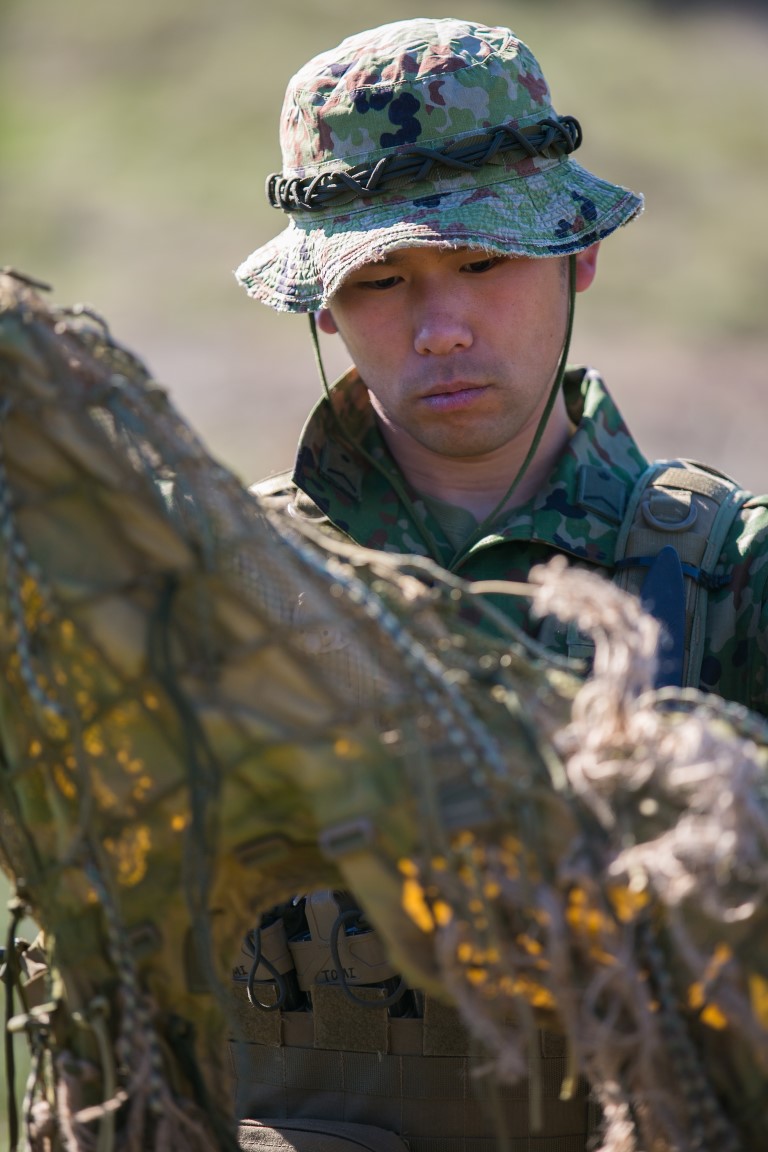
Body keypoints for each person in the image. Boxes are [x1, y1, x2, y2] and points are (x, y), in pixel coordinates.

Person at [229, 17, 768, 1152]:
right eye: (381, 280)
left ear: (579, 254)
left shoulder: (733, 575)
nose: (441, 327)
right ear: (321, 305)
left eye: (484, 263)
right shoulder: (222, 586)